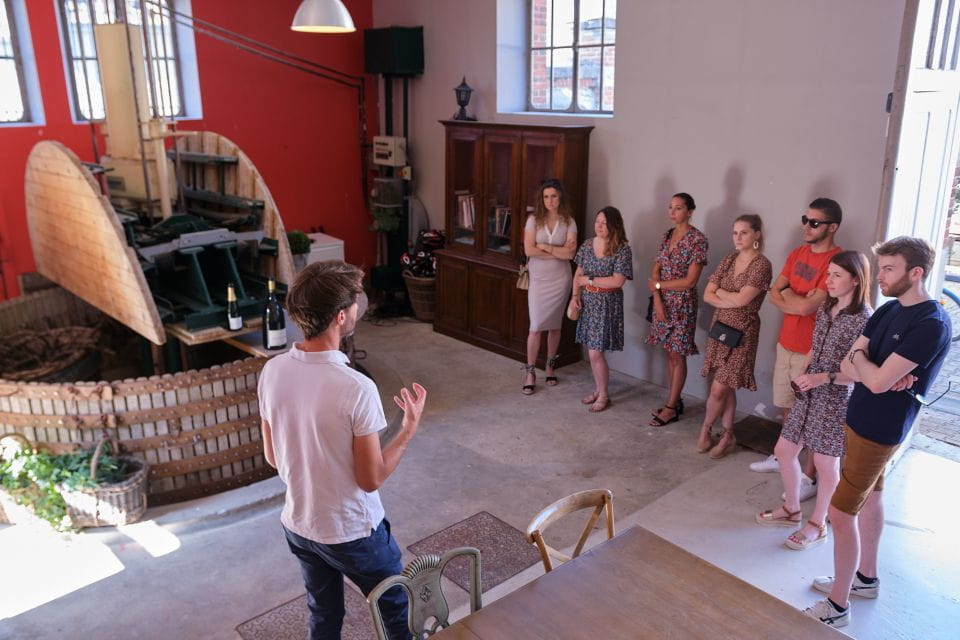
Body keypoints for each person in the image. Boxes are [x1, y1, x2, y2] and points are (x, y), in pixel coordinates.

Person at [258, 260, 426, 640]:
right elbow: (371, 479)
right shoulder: (356, 388)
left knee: (324, 615)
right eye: (354, 304)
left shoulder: (273, 371)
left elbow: (274, 457)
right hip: (352, 532)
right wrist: (408, 430)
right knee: (395, 611)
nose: (357, 310)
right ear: (340, 317)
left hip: (300, 524)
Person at [804, 237, 950, 628]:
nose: (880, 276)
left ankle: (838, 606)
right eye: (881, 267)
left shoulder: (931, 323)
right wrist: (871, 370)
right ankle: (865, 579)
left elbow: (874, 376)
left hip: (880, 429)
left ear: (915, 273)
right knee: (871, 498)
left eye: (889, 269)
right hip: (858, 415)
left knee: (839, 508)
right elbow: (853, 367)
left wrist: (869, 369)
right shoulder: (886, 312)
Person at [756, 251, 871, 551]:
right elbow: (814, 347)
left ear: (856, 280)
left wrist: (821, 378)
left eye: (836, 275)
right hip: (808, 392)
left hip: (835, 398)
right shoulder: (826, 308)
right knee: (784, 449)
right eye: (828, 274)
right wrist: (805, 371)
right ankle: (792, 509)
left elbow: (860, 374)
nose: (828, 281)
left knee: (824, 461)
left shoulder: (864, 320)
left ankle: (817, 524)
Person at [751, 198, 844, 506]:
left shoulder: (837, 262)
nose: (806, 226)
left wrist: (792, 297)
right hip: (786, 342)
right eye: (806, 219)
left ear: (832, 227)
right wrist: (794, 298)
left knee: (813, 418)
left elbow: (806, 305)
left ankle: (809, 478)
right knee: (789, 408)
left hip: (812, 352)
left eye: (814, 222)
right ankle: (784, 457)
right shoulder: (797, 253)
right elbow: (773, 293)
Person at [698, 214, 772, 458]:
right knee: (725, 386)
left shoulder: (762, 265)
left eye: (744, 233)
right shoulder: (729, 259)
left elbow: (743, 301)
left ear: (756, 235)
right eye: (735, 233)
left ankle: (706, 429)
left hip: (743, 333)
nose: (738, 238)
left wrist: (721, 292)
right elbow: (707, 295)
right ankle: (728, 434)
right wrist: (727, 294)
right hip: (720, 328)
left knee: (719, 388)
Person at [646, 193, 709, 427]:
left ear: (690, 211)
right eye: (670, 207)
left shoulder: (698, 240)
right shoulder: (667, 235)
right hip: (663, 302)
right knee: (668, 352)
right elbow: (655, 269)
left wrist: (660, 286)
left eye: (678, 208)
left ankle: (671, 407)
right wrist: (658, 297)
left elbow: (690, 281)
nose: (672, 212)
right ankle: (674, 400)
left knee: (677, 354)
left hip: (683, 305)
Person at [569, 206, 633, 412]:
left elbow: (617, 281)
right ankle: (599, 388)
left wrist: (589, 279)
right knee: (592, 351)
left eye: (604, 223)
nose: (599, 226)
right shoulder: (587, 245)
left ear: (614, 225)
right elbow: (577, 275)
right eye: (597, 221)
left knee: (596, 353)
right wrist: (575, 297)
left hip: (607, 305)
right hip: (588, 303)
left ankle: (604, 395)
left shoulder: (622, 249)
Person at [522, 178, 578, 394]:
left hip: (560, 279)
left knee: (555, 326)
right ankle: (530, 371)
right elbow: (529, 251)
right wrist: (557, 251)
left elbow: (570, 254)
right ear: (541, 198)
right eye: (546, 196)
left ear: (560, 197)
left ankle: (550, 366)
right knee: (535, 327)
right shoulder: (533, 220)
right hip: (539, 279)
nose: (550, 200)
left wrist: (544, 246)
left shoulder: (569, 221)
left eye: (554, 196)